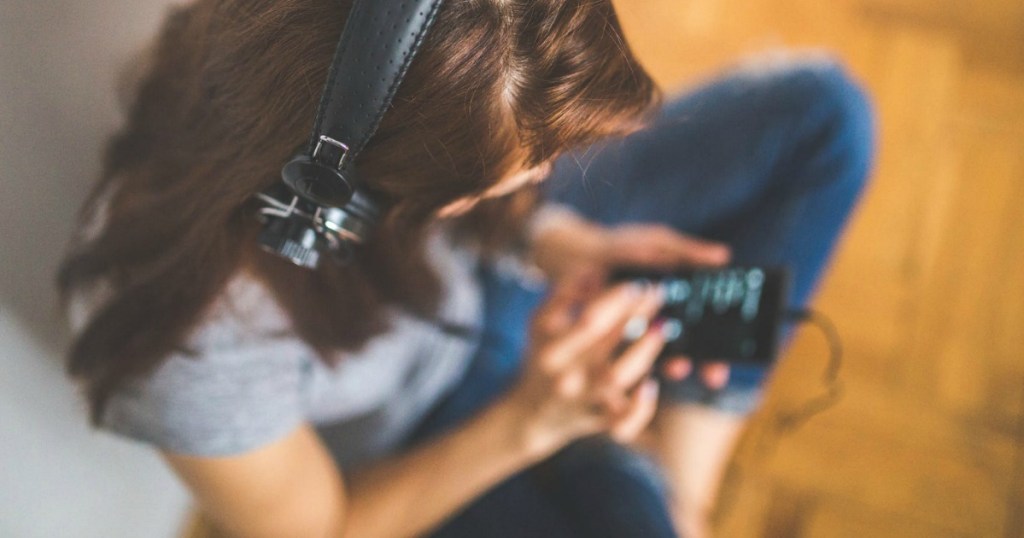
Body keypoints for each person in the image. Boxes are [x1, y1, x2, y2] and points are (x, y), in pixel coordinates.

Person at [58, 1, 873, 537]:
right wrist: (533, 420)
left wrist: (546, 240)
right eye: (523, 170)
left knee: (822, 117)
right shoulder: (180, 350)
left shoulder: (307, 68)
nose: (541, 180)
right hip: (432, 442)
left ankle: (682, 487)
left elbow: (501, 182)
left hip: (490, 279)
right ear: (343, 200)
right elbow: (329, 530)